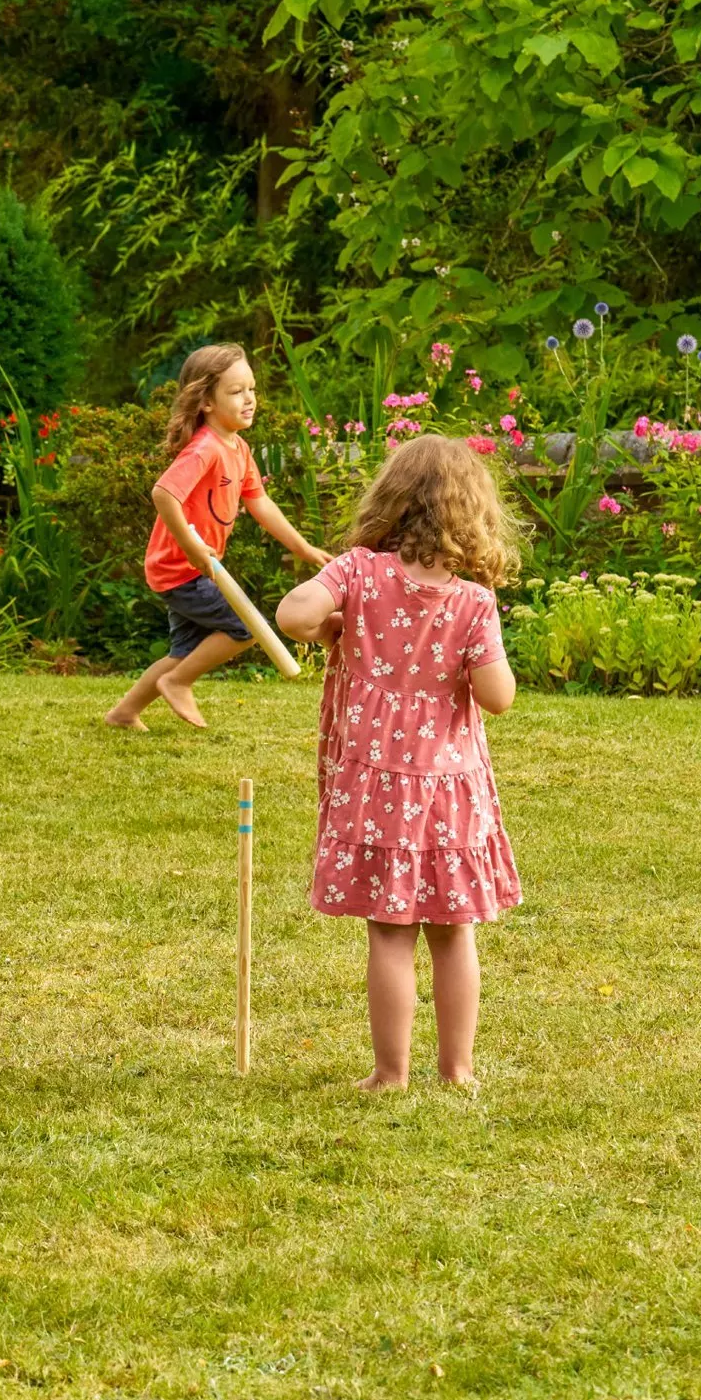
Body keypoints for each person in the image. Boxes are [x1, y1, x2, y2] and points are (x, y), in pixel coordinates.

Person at [275, 433, 520, 1093]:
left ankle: (390, 1074)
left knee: (388, 933)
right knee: (452, 933)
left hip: (377, 784)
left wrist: (333, 621)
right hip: (448, 790)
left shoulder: (356, 572)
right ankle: (458, 1070)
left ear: (390, 503)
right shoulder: (472, 603)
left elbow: (293, 614)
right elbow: (498, 699)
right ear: (471, 514)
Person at [104, 341, 327, 731]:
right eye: (236, 391)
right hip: (182, 567)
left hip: (196, 566)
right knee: (243, 629)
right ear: (206, 401)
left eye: (252, 389)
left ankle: (124, 713)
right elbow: (163, 494)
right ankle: (177, 682)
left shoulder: (238, 448)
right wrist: (192, 548)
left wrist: (303, 548)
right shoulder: (204, 449)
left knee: (185, 650)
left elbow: (260, 504)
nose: (249, 399)